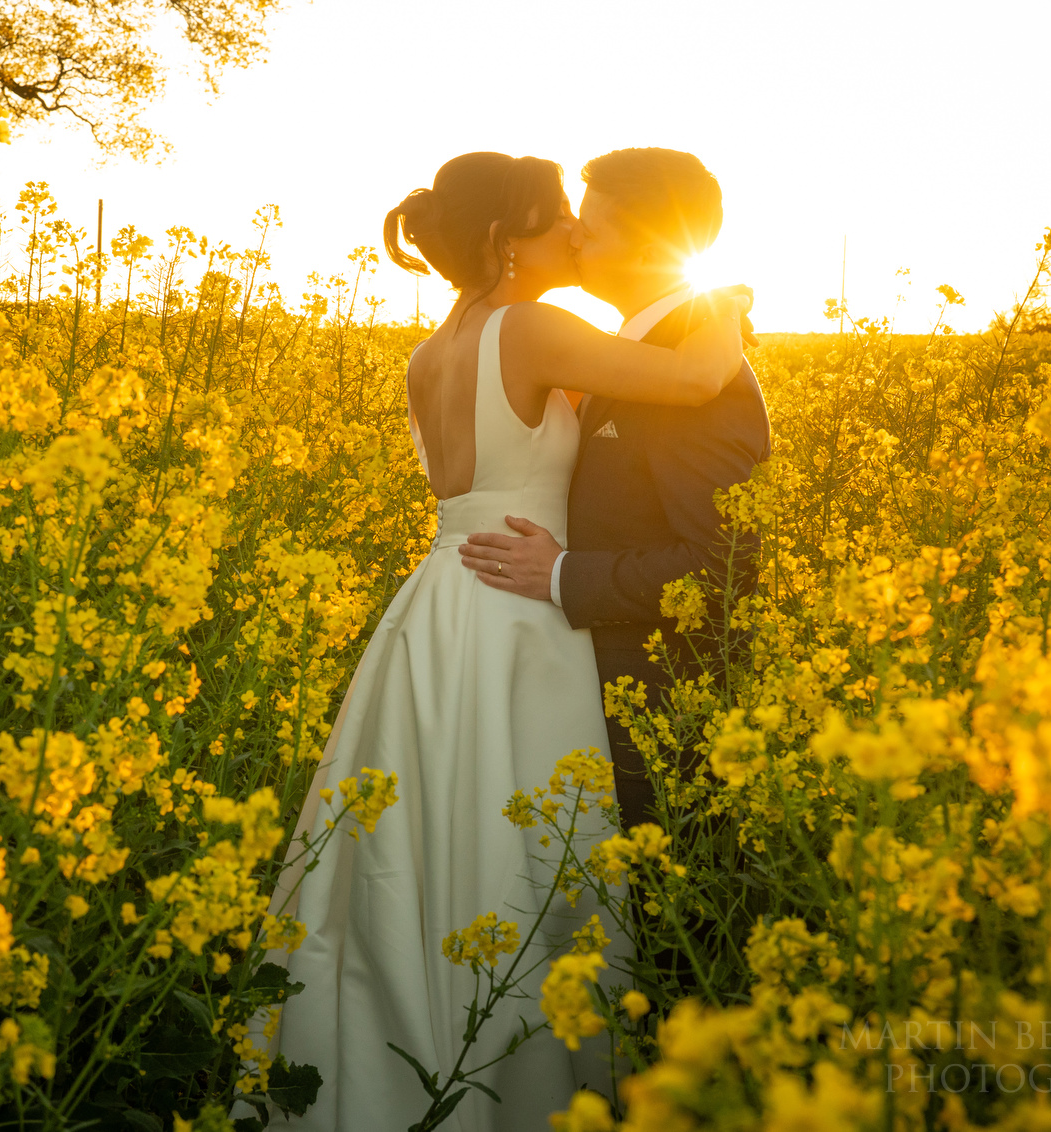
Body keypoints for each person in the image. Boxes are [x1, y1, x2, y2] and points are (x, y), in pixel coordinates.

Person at [270, 151, 750, 1132]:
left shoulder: (430, 349)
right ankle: (516, 1086)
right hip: (521, 609)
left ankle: (403, 1070)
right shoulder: (531, 327)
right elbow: (697, 371)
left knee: (425, 841)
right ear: (503, 243)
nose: (571, 234)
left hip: (438, 604)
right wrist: (730, 294)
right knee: (518, 844)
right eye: (553, 221)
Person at [459, 147, 772, 835]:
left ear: (646, 247)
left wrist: (565, 574)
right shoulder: (642, 354)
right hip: (593, 685)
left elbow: (722, 561)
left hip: (663, 703)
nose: (572, 235)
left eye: (590, 227)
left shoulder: (697, 366)